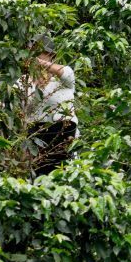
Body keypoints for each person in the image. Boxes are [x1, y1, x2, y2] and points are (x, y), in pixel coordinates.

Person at [19, 36, 78, 176]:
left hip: (63, 133)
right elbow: (8, 107)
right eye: (31, 52)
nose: (33, 56)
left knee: (63, 175)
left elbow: (67, 74)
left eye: (38, 52)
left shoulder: (63, 76)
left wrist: (39, 63)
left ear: (51, 55)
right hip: (36, 137)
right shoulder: (23, 81)